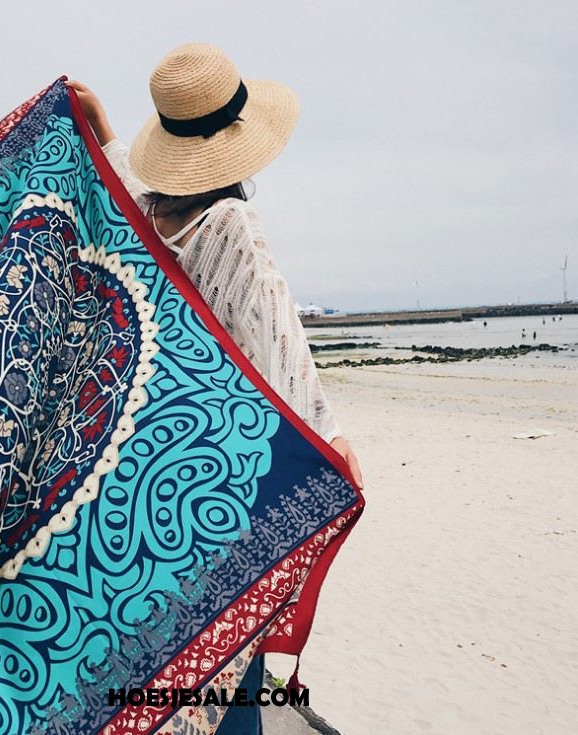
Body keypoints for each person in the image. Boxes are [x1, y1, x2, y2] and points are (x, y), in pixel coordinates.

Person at [67, 42, 363, 734]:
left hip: (145, 471)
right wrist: (331, 435)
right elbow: (277, 342)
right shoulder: (230, 225)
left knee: (158, 653)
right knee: (230, 660)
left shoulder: (151, 220)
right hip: (217, 480)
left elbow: (122, 201)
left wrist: (103, 128)